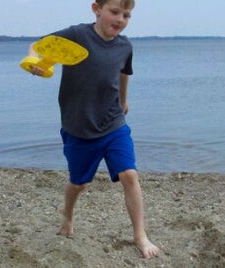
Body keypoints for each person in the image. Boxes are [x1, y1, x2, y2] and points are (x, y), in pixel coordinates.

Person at [24, 0, 160, 259]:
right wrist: (34, 61)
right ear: (96, 9)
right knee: (79, 183)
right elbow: (38, 45)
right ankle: (68, 214)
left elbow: (124, 73)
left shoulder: (125, 46)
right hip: (79, 126)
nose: (120, 19)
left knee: (129, 175)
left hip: (113, 122)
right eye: (115, 12)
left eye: (127, 15)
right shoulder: (77, 35)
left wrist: (123, 100)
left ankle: (140, 236)